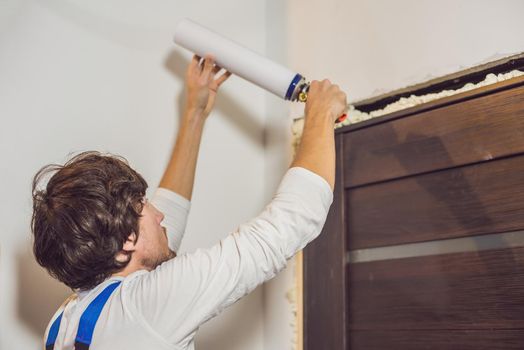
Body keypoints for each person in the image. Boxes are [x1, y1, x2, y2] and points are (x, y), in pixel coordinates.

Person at [31, 54, 347, 350]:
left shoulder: (64, 323)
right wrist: (320, 113)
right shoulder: (148, 307)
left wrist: (194, 113)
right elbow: (291, 221)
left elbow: (162, 223)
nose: (158, 215)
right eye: (144, 205)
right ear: (126, 240)